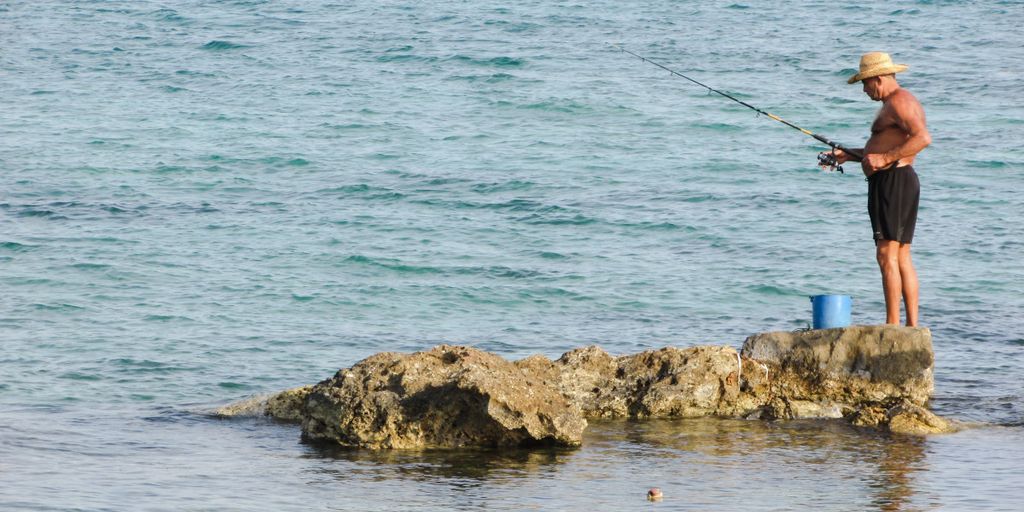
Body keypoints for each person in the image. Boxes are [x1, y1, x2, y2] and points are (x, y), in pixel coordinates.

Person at [822, 52, 931, 326]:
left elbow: (922, 138)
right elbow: (884, 148)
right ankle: (910, 326)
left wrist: (884, 159)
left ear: (878, 79)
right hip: (899, 179)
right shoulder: (898, 102)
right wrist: (850, 154)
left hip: (893, 181)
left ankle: (893, 325)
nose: (864, 89)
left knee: (886, 253)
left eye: (865, 83)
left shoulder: (899, 103)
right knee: (901, 253)